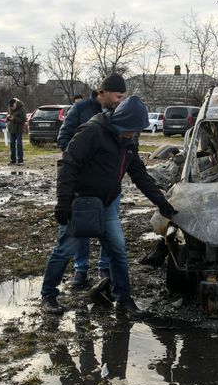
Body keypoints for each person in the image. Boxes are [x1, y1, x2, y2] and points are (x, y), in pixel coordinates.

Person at [40, 95, 177, 319]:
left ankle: (124, 299)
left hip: (107, 204)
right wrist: (63, 201)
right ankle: (48, 296)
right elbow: (67, 163)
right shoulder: (93, 131)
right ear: (121, 122)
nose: (134, 134)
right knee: (65, 249)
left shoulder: (128, 142)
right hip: (80, 202)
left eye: (136, 131)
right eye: (132, 129)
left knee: (118, 251)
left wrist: (162, 203)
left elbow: (140, 175)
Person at [56, 73, 127, 288]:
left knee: (108, 225)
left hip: (109, 184)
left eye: (123, 97)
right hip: (84, 183)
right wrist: (88, 158)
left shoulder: (119, 112)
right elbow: (63, 140)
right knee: (81, 226)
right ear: (102, 92)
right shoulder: (80, 109)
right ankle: (81, 269)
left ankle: (104, 267)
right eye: (117, 96)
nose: (120, 101)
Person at [6, 97, 27, 165]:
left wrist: (14, 119)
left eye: (13, 107)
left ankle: (20, 160)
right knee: (12, 144)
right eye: (11, 107)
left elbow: (24, 119)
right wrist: (8, 118)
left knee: (19, 144)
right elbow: (9, 116)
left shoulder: (22, 109)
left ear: (15, 103)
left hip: (18, 129)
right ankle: (13, 160)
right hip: (12, 129)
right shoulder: (10, 108)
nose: (12, 108)